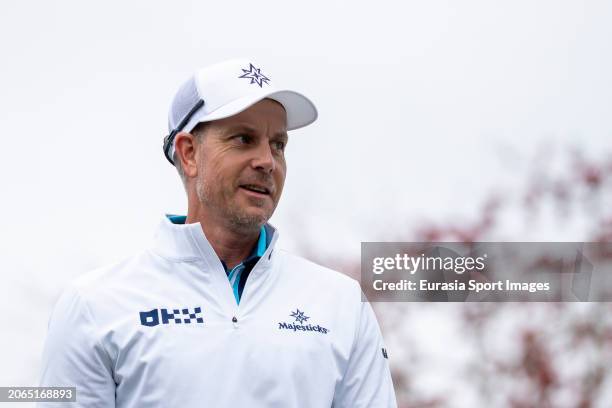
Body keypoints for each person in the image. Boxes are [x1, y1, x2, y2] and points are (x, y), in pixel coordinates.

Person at [38, 59, 397, 407]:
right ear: (189, 153)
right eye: (244, 139)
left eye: (278, 145)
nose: (267, 161)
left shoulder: (342, 303)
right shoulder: (93, 305)